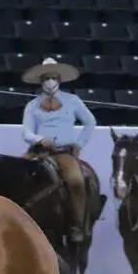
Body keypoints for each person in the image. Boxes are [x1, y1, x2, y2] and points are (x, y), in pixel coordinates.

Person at [20, 57, 96, 242]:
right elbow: (26, 132)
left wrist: (79, 144)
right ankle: (18, 220)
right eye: (46, 78)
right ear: (40, 81)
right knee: (17, 175)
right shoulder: (32, 105)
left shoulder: (72, 100)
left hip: (64, 152)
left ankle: (78, 224)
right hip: (39, 151)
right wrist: (39, 139)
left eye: (53, 77)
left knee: (76, 181)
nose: (50, 81)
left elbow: (90, 122)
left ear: (59, 79)